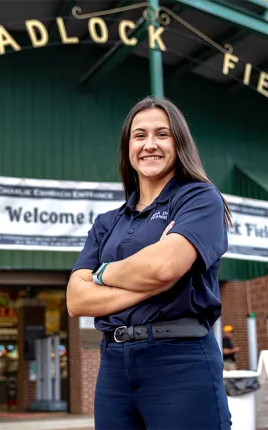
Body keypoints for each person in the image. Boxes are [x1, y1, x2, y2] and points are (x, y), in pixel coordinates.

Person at [67, 96, 232, 429]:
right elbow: (76, 300)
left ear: (179, 142)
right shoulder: (107, 222)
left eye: (162, 134)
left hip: (180, 360)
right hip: (113, 367)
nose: (150, 144)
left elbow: (163, 268)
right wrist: (152, 281)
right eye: (139, 135)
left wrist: (102, 274)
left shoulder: (200, 198)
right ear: (128, 147)